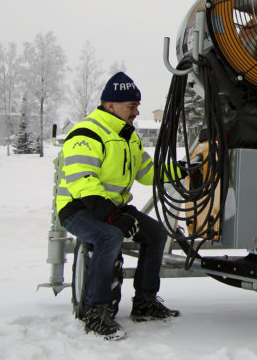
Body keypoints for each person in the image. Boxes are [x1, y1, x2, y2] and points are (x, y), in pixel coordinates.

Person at [55, 72, 180, 340]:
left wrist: (179, 170)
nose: (136, 111)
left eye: (137, 106)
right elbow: (83, 184)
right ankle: (95, 311)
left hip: (111, 208)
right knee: (108, 236)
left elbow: (148, 172)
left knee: (156, 233)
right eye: (131, 106)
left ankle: (145, 301)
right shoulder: (86, 132)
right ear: (111, 105)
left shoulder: (127, 137)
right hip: (78, 209)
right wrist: (114, 217)